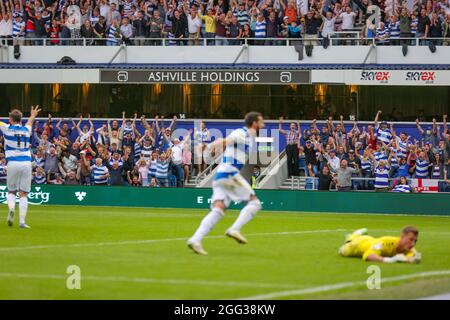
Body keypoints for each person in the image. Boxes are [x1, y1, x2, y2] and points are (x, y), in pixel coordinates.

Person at [187, 112, 265, 255]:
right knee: (255, 203)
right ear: (254, 123)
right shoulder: (242, 133)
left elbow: (227, 145)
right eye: (261, 121)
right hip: (229, 173)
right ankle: (234, 229)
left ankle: (195, 240)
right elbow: (225, 140)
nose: (263, 124)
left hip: (221, 175)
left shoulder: (250, 137)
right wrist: (208, 146)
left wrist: (216, 150)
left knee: (219, 209)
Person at [0, 105, 41, 228]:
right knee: (24, 194)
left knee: (11, 192)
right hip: (26, 163)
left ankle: (12, 208)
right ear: (20, 119)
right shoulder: (26, 130)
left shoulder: (7, 128)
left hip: (12, 163)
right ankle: (22, 222)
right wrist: (33, 115)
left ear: (10, 119)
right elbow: (30, 122)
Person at [339, 227, 422, 263]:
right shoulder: (386, 242)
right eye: (410, 239)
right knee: (342, 251)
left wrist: (411, 259)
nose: (413, 244)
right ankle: (355, 235)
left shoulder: (410, 249)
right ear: (402, 237)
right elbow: (368, 256)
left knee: (368, 239)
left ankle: (358, 234)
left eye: (415, 241)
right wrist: (391, 260)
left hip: (370, 240)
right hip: (358, 245)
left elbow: (410, 258)